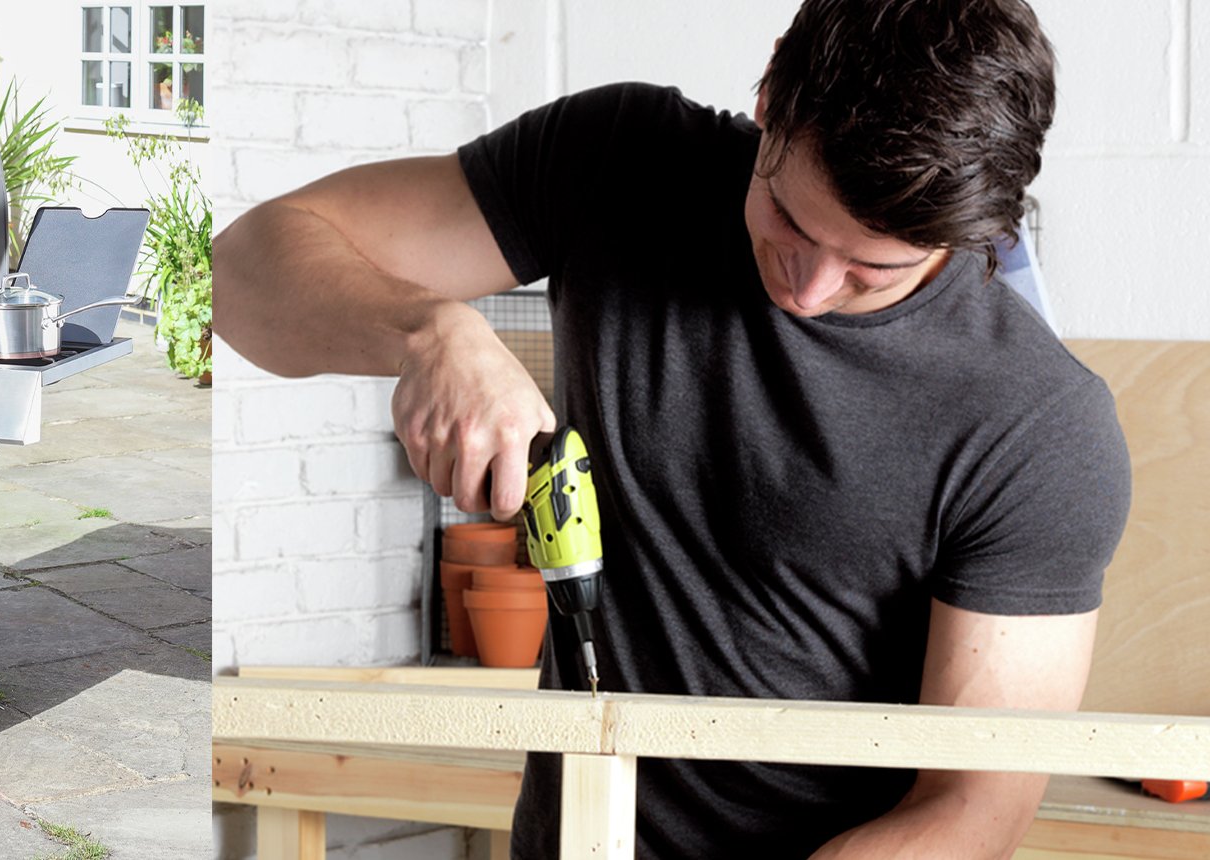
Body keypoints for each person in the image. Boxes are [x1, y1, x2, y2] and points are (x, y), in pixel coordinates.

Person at [212, 1, 1131, 857]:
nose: (808, 288)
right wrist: (427, 329)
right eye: (789, 219)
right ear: (771, 91)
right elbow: (240, 275)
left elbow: (970, 812)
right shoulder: (620, 160)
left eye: (871, 269)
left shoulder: (1040, 426)